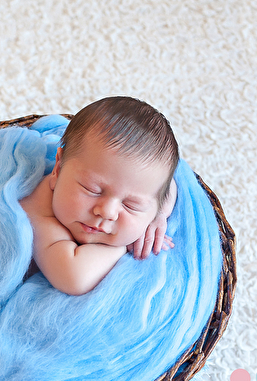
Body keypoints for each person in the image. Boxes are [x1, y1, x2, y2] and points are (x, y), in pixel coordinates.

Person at [20, 96, 179, 295]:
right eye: (92, 190)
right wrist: (124, 244)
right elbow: (73, 278)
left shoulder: (141, 190)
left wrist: (159, 215)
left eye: (131, 205)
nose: (107, 212)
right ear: (58, 169)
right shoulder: (39, 209)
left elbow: (169, 186)